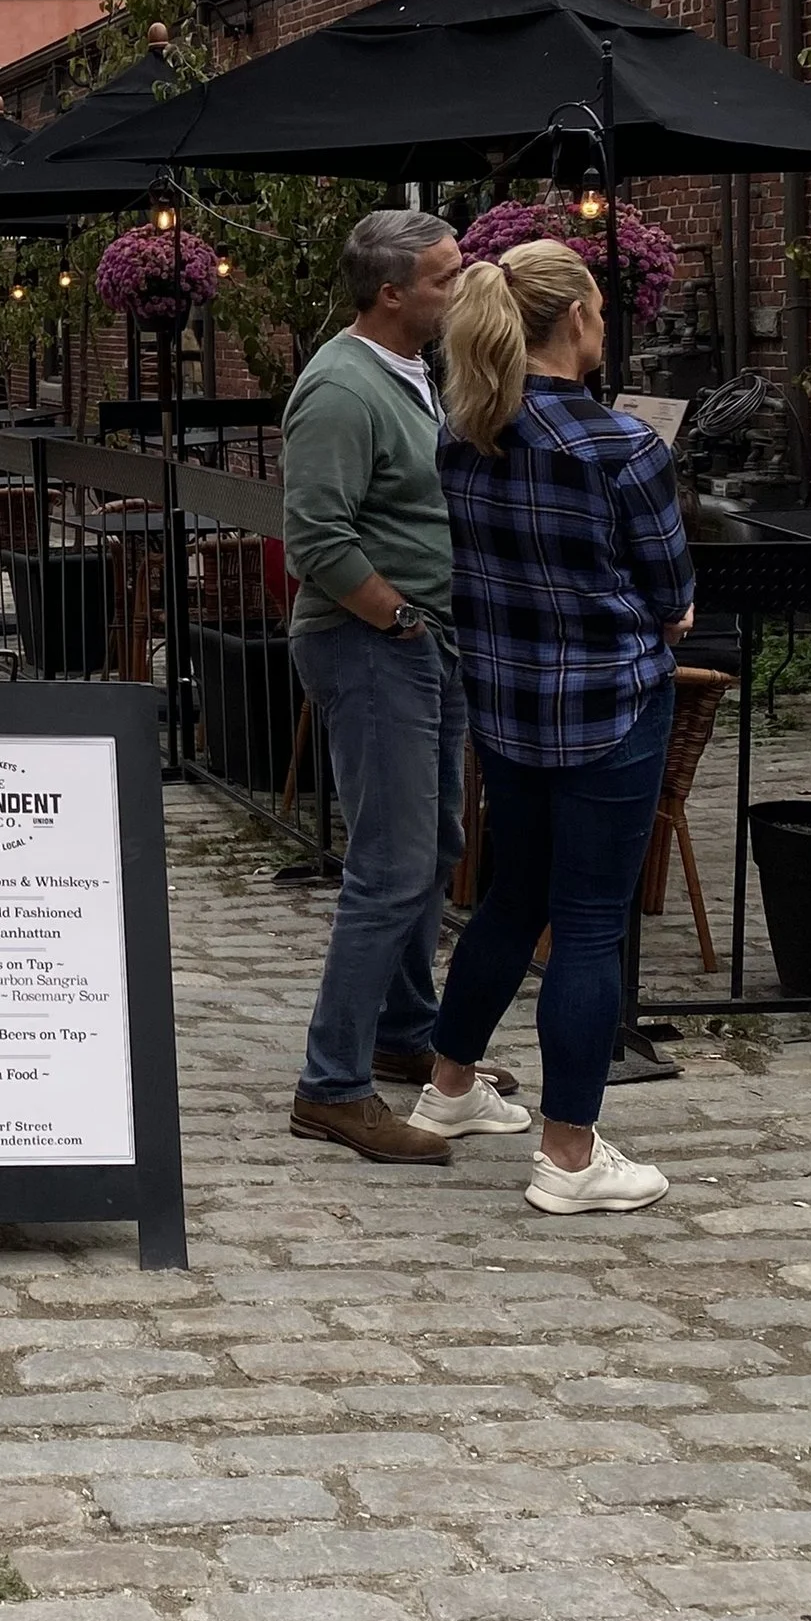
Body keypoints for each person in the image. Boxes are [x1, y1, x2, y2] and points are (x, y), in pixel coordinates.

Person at [418, 240, 693, 1213]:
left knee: (509, 897)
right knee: (585, 923)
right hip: (610, 710)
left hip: (507, 708)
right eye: (602, 306)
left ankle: (449, 1089)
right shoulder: (621, 446)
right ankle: (570, 1157)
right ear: (574, 316)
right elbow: (672, 595)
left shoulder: (465, 435)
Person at [282, 208, 501, 1162]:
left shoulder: (415, 373)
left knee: (436, 841)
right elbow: (318, 536)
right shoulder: (339, 387)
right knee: (390, 864)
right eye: (448, 277)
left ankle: (403, 1029)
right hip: (374, 645)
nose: (462, 288)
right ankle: (331, 1083)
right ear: (392, 292)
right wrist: (398, 616)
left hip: (425, 642)